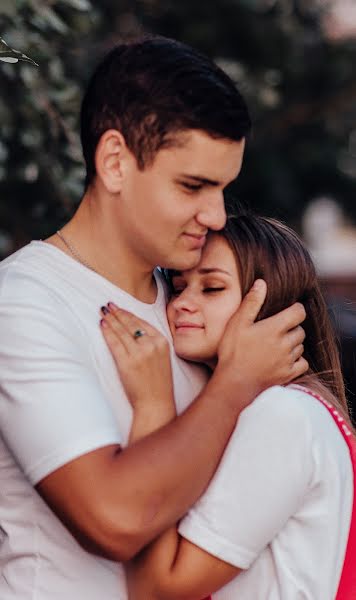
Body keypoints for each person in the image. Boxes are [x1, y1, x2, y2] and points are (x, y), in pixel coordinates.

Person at [0, 38, 307, 599]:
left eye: (223, 188)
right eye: (193, 186)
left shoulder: (192, 304)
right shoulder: (25, 303)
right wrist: (236, 383)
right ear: (115, 162)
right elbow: (113, 519)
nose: (215, 215)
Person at [100, 212, 356, 600]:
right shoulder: (294, 411)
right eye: (180, 286)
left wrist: (153, 405)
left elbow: (157, 590)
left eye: (212, 288)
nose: (183, 303)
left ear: (272, 304)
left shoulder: (284, 415)